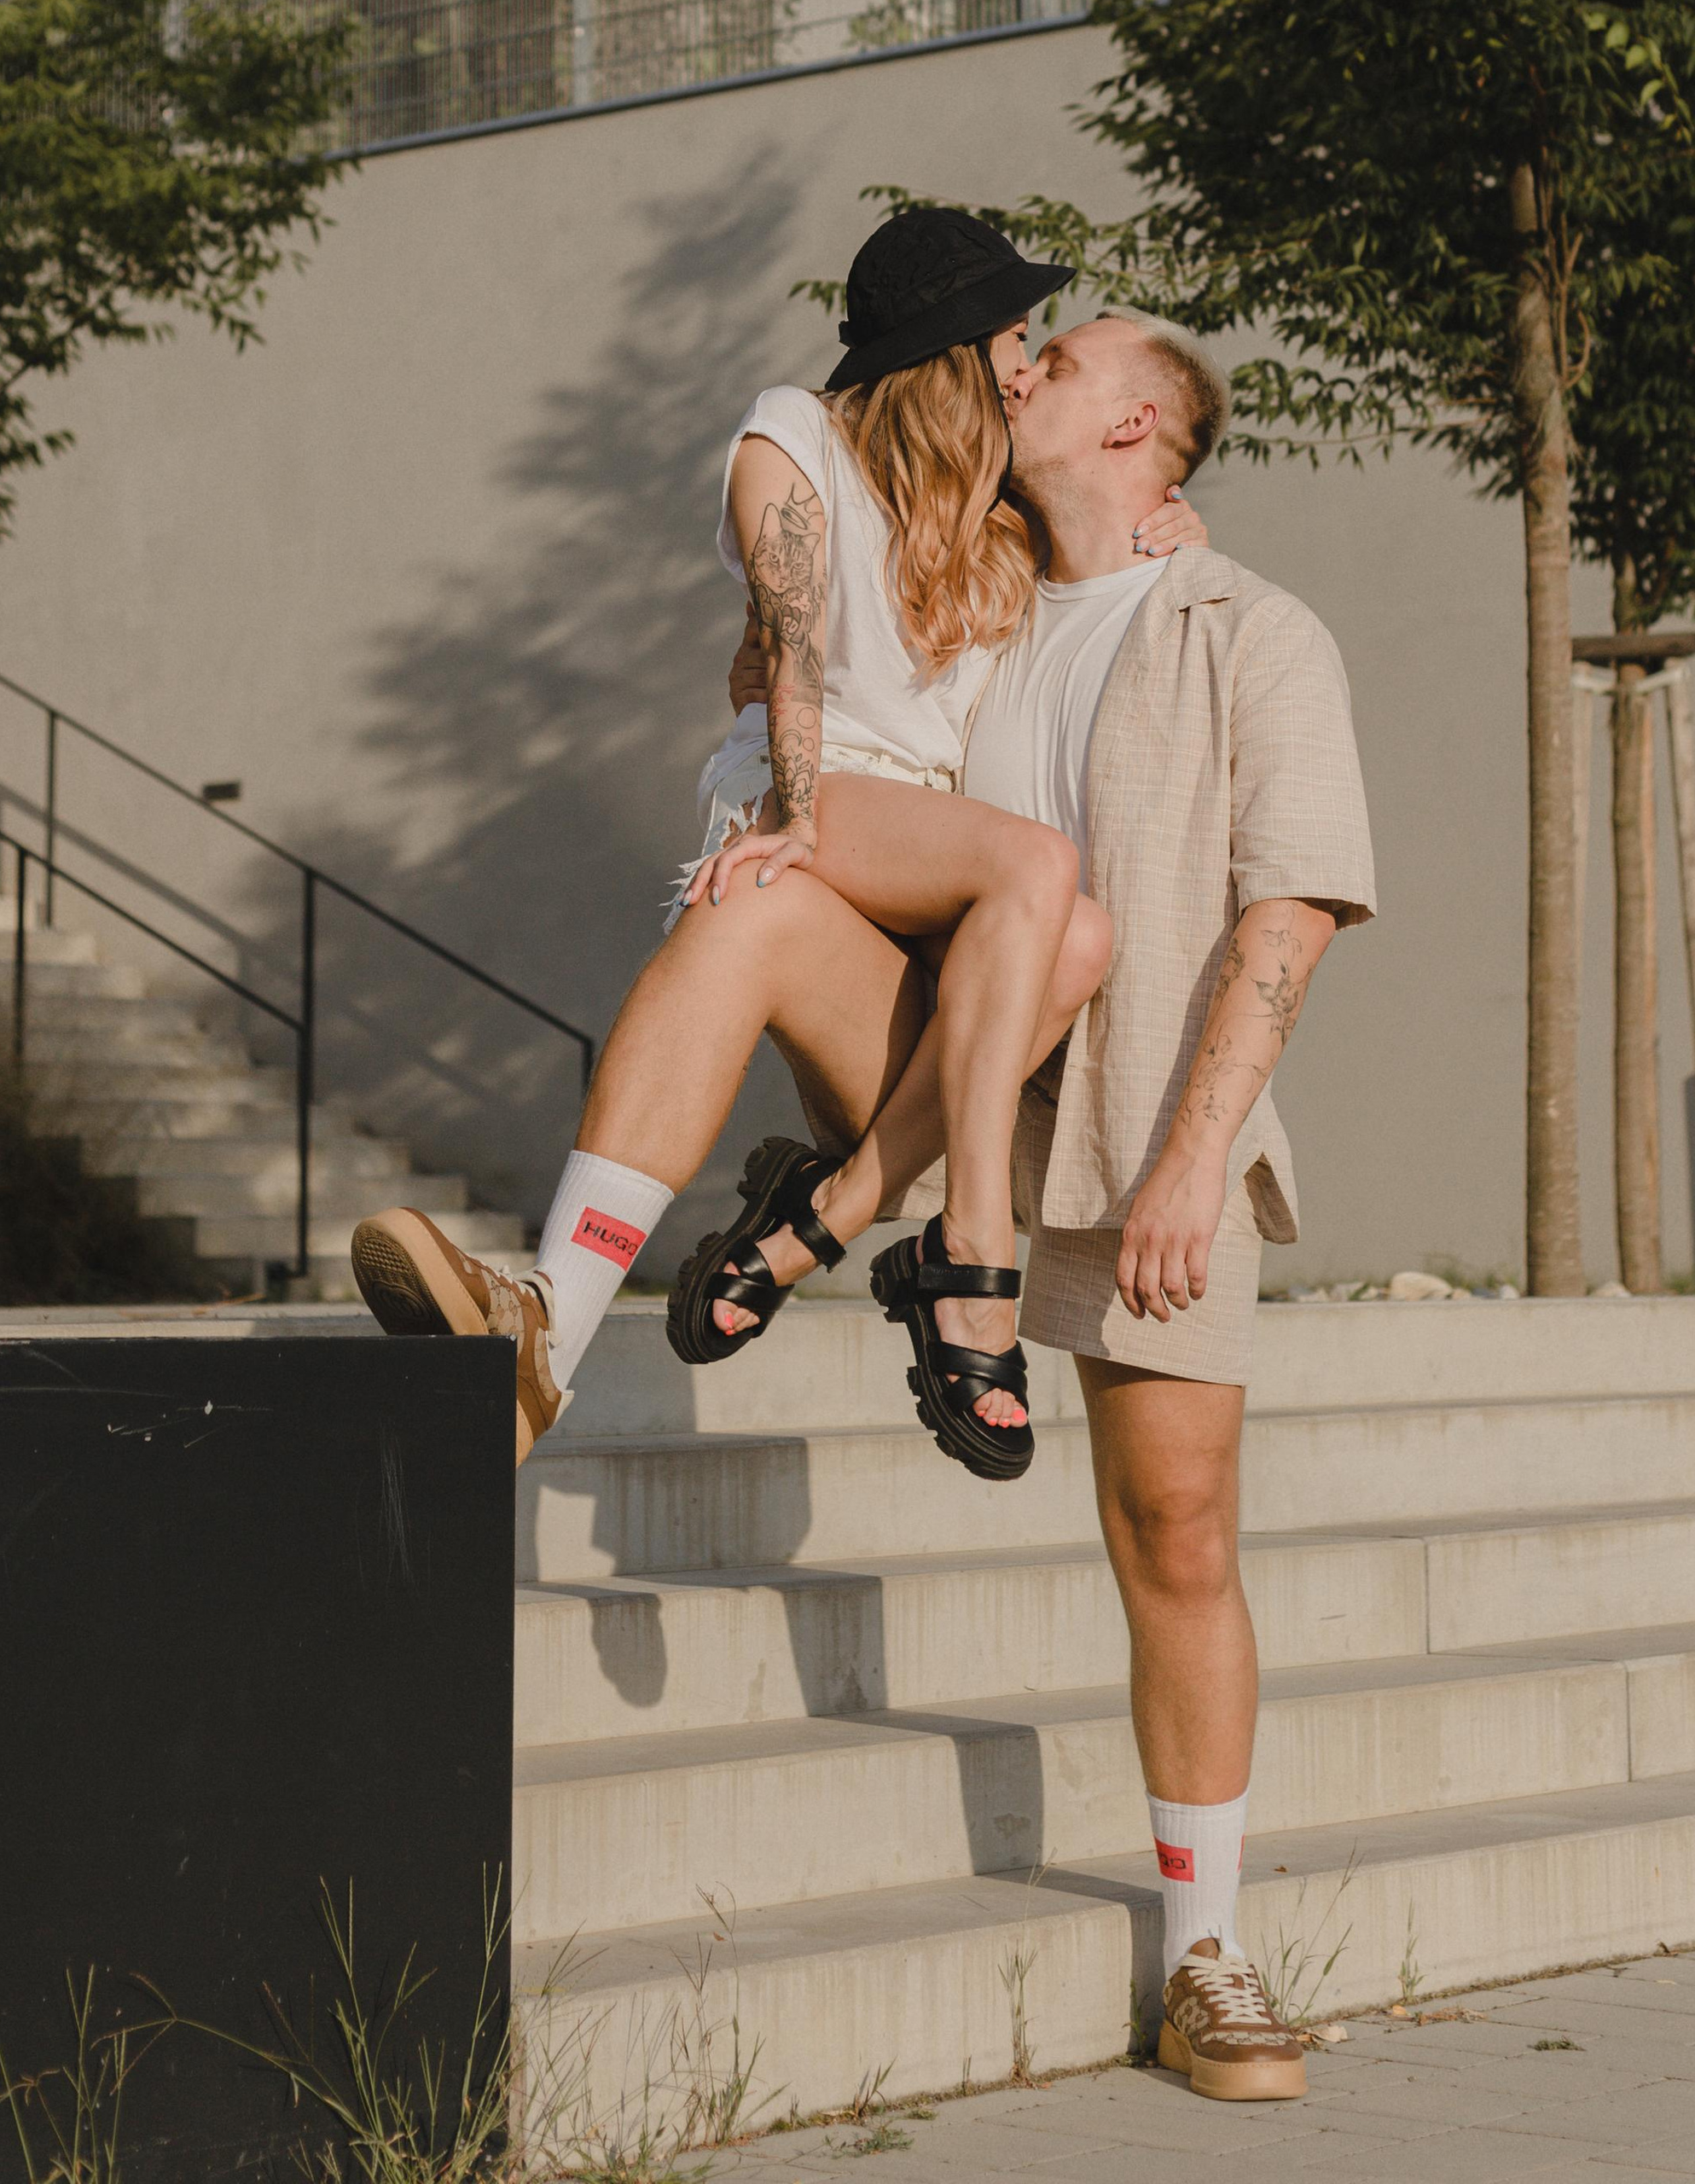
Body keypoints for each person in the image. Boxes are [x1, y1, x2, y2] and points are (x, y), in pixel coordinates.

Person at [637, 308, 1378, 2103]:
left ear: (1141, 428)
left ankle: (1207, 1947)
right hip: (940, 1061)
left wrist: (1195, 1158)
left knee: (1174, 1529)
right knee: (747, 911)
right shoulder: (961, 589)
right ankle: (749, 1226)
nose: (1024, 361)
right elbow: (808, 665)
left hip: (1133, 1128)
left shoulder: (1247, 626)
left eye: (1074, 351)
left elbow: (1288, 913)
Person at [348, 209, 1199, 1472]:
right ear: (954, 347)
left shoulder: (1001, 514)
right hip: (826, 792)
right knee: (1007, 872)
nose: (1030, 361)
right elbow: (792, 647)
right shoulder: (792, 433)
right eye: (1019, 336)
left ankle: (782, 1235)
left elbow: (1118, 513)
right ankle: (951, 1265)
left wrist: (1179, 535)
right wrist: (798, 812)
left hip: (925, 983)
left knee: (1069, 929)